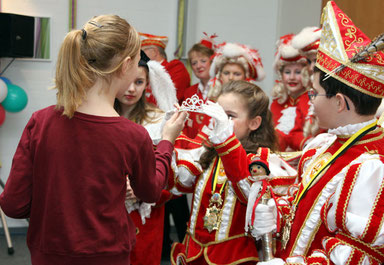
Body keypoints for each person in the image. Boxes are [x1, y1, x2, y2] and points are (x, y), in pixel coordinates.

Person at [0, 15, 186, 265]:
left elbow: (13, 205)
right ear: (127, 65)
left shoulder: (41, 122)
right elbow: (150, 190)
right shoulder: (132, 135)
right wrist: (166, 143)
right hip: (107, 255)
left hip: (48, 253)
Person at [249, 1, 384, 264]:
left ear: (339, 102)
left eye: (315, 93)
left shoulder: (371, 167)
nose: (310, 101)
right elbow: (308, 208)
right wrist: (277, 213)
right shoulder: (327, 143)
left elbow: (357, 255)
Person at [171, 80, 297, 264]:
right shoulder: (207, 151)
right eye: (218, 114)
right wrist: (169, 135)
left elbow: (247, 191)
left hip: (233, 257)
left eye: (229, 116)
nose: (220, 121)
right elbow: (180, 183)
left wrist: (225, 141)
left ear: (254, 123)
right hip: (194, 252)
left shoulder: (261, 161)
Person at [114, 50, 179, 265]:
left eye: (139, 82)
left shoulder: (159, 121)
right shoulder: (100, 116)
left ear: (147, 84)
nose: (132, 89)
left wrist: (144, 189)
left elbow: (171, 177)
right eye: (127, 81)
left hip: (145, 218)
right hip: (106, 214)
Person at [270, 34, 311, 151]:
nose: (292, 77)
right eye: (287, 72)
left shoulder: (311, 101)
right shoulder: (277, 103)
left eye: (297, 72)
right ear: (281, 75)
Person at [139, 32, 191, 104]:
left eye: (142, 51)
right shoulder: (144, 71)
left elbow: (166, 99)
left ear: (154, 52)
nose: (139, 56)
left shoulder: (176, 68)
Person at [182, 33, 216, 139]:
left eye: (203, 61)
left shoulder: (222, 90)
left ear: (212, 62)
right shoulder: (189, 92)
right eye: (194, 63)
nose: (198, 66)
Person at [292, 26, 324, 139]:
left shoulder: (335, 97)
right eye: (309, 62)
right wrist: (306, 143)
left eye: (316, 61)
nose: (311, 67)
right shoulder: (304, 98)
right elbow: (294, 134)